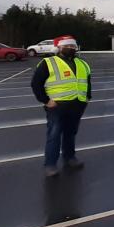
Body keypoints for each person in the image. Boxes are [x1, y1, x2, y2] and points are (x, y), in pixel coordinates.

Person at [30, 36, 92, 177]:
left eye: (73, 46)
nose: (71, 48)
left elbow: (87, 81)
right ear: (59, 47)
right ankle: (50, 165)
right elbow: (36, 83)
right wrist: (45, 100)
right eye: (68, 46)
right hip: (56, 106)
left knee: (70, 134)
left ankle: (69, 158)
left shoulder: (82, 63)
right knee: (54, 135)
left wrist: (88, 97)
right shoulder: (48, 62)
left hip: (77, 105)